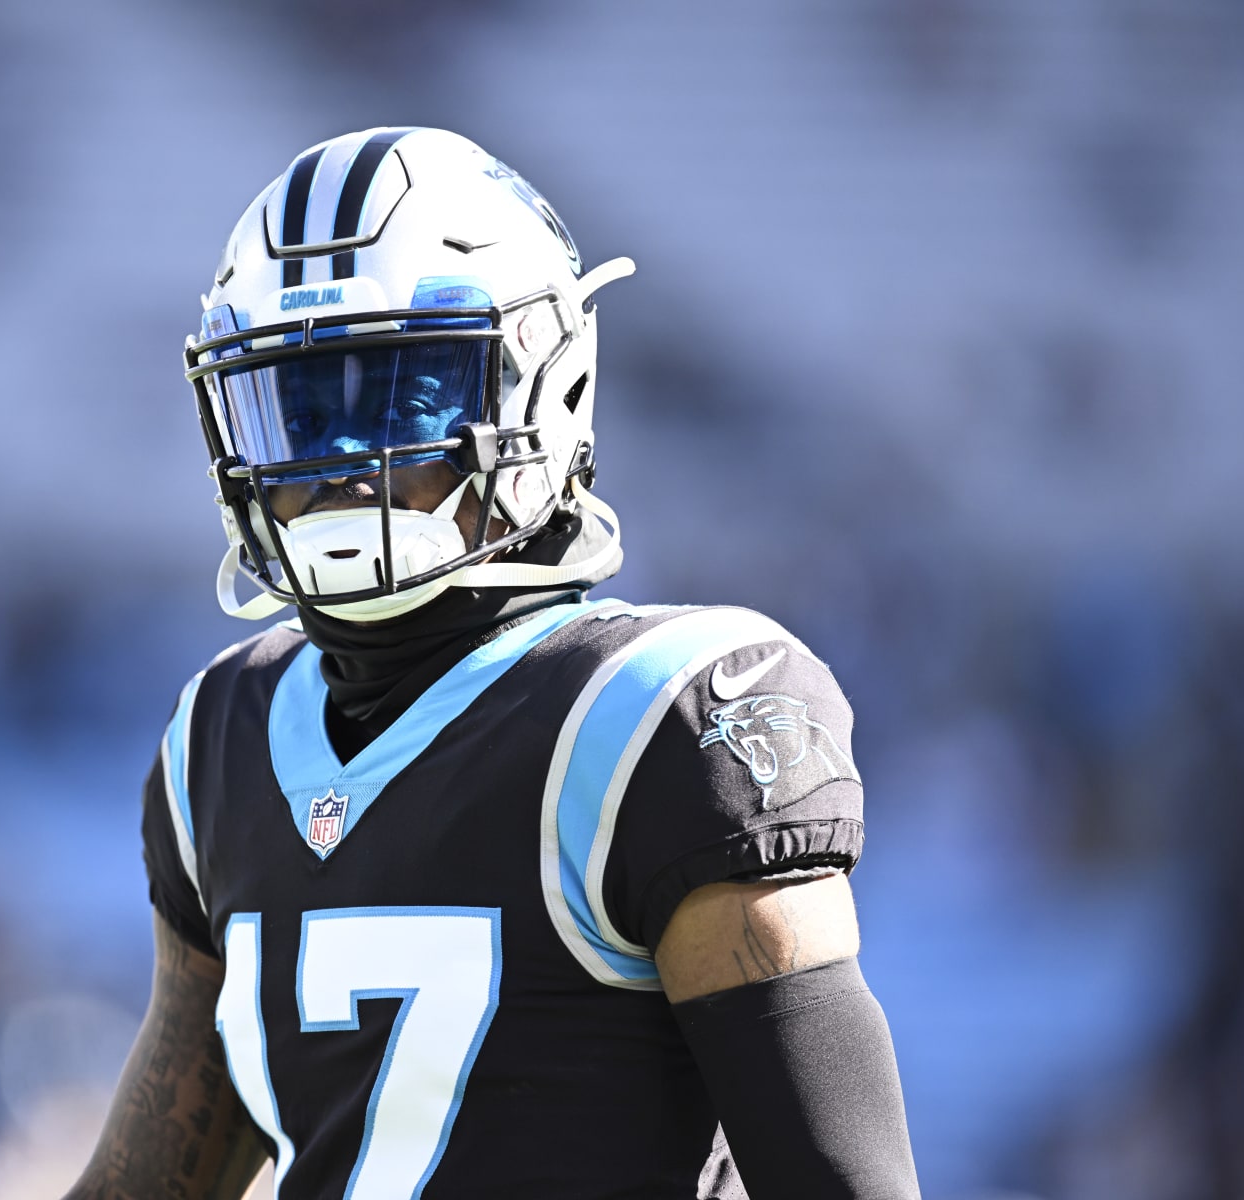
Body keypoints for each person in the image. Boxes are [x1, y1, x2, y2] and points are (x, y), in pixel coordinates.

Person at [63, 128, 920, 1200]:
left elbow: (842, 1181)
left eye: (400, 397)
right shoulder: (221, 739)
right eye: (303, 408)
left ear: (542, 387)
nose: (339, 468)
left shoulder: (659, 716)